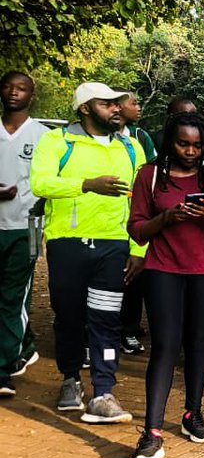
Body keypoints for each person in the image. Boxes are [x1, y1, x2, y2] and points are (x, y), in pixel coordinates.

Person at [30, 82, 148, 422]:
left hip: (114, 246)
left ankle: (104, 391)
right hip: (67, 243)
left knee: (106, 320)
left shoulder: (131, 148)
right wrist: (86, 184)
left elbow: (141, 201)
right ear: (85, 108)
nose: (116, 108)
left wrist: (139, 248)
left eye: (117, 104)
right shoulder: (57, 141)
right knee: (68, 317)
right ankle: (70, 379)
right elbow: (40, 183)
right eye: (106, 103)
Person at [127, 112, 204, 458]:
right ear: (169, 142)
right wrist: (166, 218)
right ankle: (152, 433)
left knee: (197, 341)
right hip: (163, 267)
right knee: (164, 345)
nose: (190, 151)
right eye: (182, 143)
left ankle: (193, 413)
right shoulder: (150, 175)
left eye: (197, 144)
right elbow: (137, 230)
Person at [0, 72, 49, 398]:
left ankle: (4, 367)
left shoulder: (44, 136)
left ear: (31, 95)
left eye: (22, 89)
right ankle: (24, 342)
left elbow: (50, 184)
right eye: (8, 86)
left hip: (28, 227)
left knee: (15, 293)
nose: (14, 93)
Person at [115, 89, 157, 355]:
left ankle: (128, 330)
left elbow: (148, 173)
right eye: (134, 103)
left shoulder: (140, 137)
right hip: (104, 224)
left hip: (135, 220)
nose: (138, 107)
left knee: (133, 278)